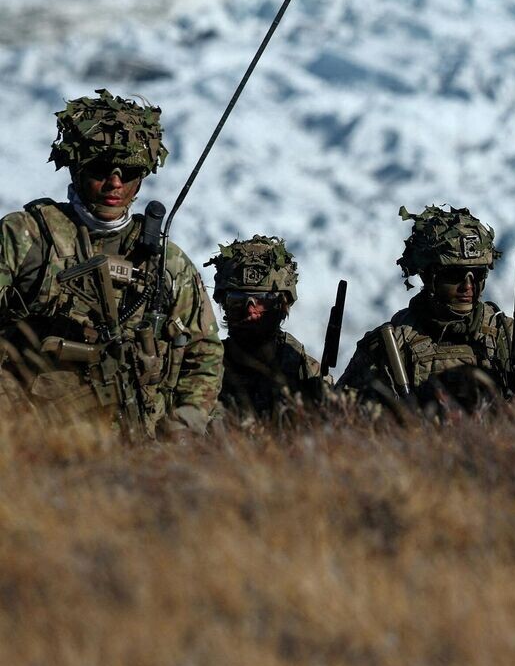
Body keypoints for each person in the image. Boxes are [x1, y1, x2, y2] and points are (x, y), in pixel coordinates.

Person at [0, 89, 222, 437]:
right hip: (32, 439)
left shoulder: (167, 262)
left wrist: (185, 423)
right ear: (76, 168)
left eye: (129, 172)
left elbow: (203, 351)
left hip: (138, 444)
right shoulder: (27, 236)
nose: (115, 183)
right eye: (101, 169)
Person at [338, 205, 515, 417]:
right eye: (454, 275)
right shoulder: (389, 347)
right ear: (428, 276)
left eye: (478, 274)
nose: (468, 286)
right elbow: (343, 422)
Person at [207, 235, 324, 428]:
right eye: (237, 301)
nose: (250, 311)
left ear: (282, 305)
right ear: (224, 305)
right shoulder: (204, 368)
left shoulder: (304, 370)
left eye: (263, 300)